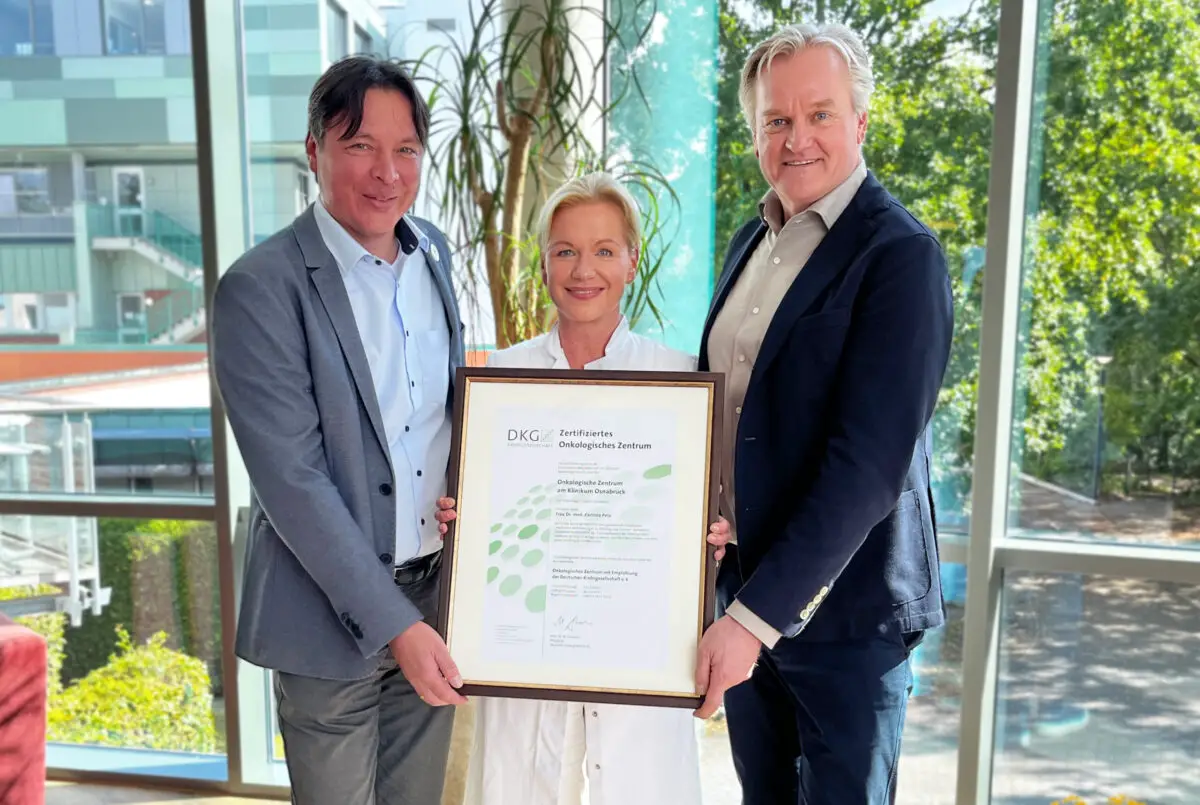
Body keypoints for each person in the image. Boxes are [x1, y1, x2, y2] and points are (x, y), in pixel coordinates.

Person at [691, 23, 955, 805]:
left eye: (819, 114)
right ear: (754, 132)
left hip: (848, 622)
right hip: (744, 592)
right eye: (776, 119)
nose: (796, 138)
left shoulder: (901, 254)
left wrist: (754, 617)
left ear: (860, 121)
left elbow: (868, 466)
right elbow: (733, 412)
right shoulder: (750, 239)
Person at [209, 55, 468, 804]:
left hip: (435, 597)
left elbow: (443, 420)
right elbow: (292, 481)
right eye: (361, 146)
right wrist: (395, 626)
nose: (387, 172)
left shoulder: (434, 252)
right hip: (327, 619)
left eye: (406, 149)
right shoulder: (261, 285)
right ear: (314, 149)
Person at [433, 172, 732, 805]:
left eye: (604, 250)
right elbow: (469, 508)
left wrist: (712, 529)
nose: (583, 270)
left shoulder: (680, 380)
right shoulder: (500, 379)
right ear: (543, 264)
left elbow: (712, 511)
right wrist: (460, 515)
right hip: (523, 664)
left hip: (641, 665)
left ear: (631, 261)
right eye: (565, 250)